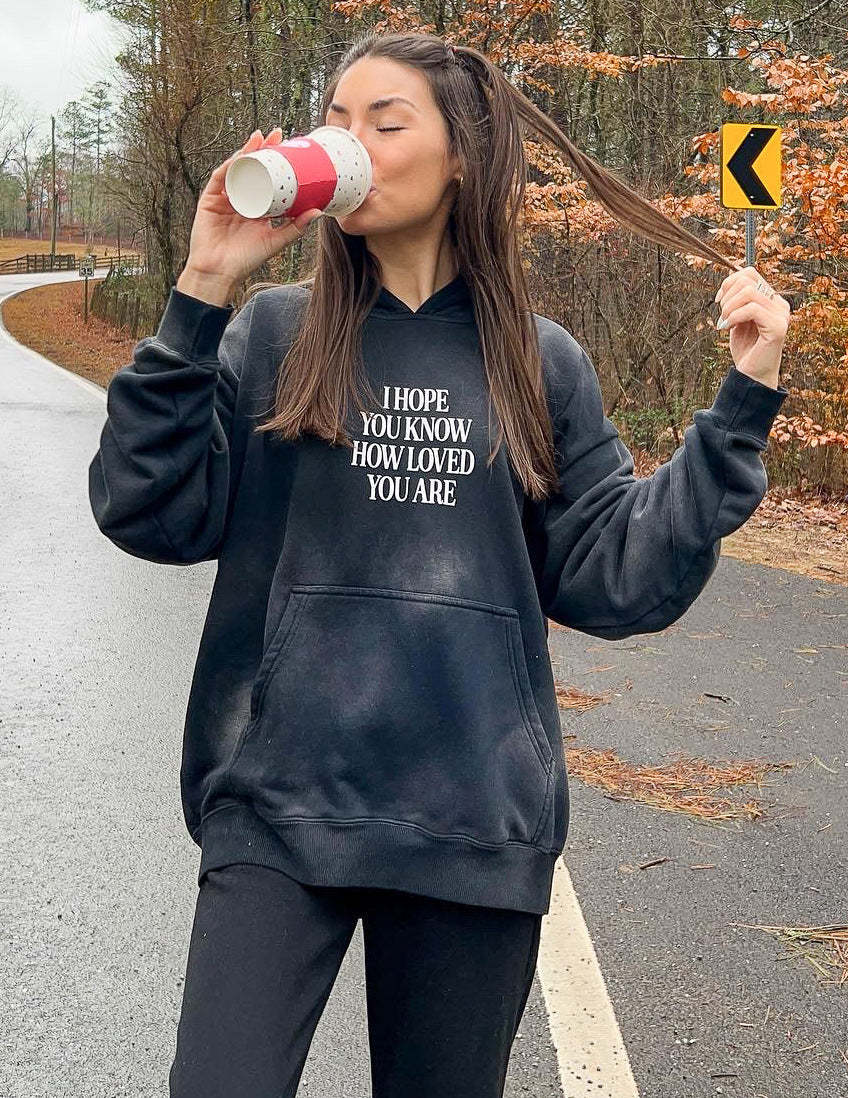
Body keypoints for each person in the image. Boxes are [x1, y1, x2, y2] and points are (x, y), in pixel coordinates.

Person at [88, 30, 790, 1098]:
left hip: (472, 819)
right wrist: (201, 286)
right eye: (337, 119)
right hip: (276, 806)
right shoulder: (274, 335)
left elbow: (615, 578)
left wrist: (739, 407)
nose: (348, 142)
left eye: (385, 122)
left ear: (461, 155)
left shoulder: (539, 362)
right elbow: (147, 511)